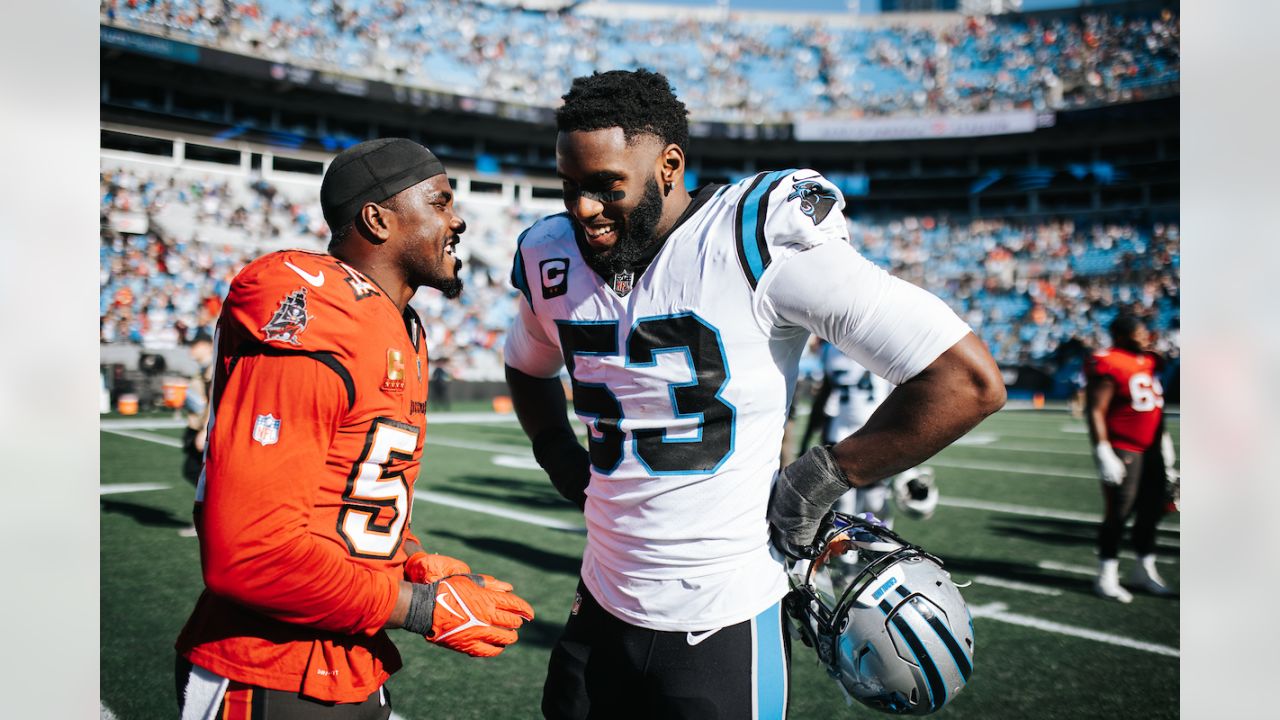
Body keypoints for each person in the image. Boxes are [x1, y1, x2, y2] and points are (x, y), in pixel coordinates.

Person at [503, 70, 1005, 719]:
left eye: (606, 187)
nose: (583, 210)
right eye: (570, 187)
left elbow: (965, 380)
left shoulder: (753, 240)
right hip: (600, 605)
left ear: (669, 165)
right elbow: (526, 365)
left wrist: (827, 473)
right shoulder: (550, 255)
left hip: (724, 621)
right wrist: (555, 451)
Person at [174, 138, 534, 719]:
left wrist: (407, 558)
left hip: (351, 661)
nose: (459, 219)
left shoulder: (399, 325)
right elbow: (252, 555)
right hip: (270, 672)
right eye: (440, 202)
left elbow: (339, 495)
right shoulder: (323, 316)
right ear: (377, 218)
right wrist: (420, 607)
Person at [1085, 314, 1177, 602]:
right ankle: (1106, 575)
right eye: (1139, 331)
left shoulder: (1149, 361)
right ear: (1123, 335)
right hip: (1124, 447)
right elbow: (1096, 409)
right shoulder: (1110, 361)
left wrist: (1163, 440)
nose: (1145, 335)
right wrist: (1102, 449)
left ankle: (1143, 569)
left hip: (1151, 449)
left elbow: (1153, 407)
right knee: (1119, 512)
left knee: (1151, 511)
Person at [180, 330, 214, 488]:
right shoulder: (203, 368)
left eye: (195, 345)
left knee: (195, 472)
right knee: (195, 472)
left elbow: (214, 399)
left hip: (204, 428)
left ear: (207, 346)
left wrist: (206, 430)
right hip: (198, 426)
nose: (191, 349)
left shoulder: (211, 368)